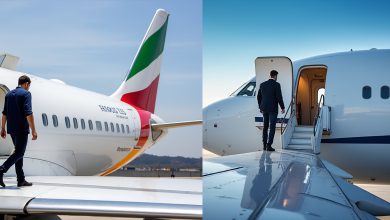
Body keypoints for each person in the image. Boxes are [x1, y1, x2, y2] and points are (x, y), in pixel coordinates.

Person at [0, 75, 38, 187]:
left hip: (11, 129)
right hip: (21, 128)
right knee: (20, 152)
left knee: (18, 152)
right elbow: (28, 113)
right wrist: (34, 130)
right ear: (26, 84)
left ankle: (21, 179)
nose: (28, 88)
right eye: (29, 85)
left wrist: (3, 128)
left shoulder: (8, 94)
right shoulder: (26, 94)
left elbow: (4, 113)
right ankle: (1, 169)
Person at [257, 70, 285, 151]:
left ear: (270, 75)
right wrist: (282, 107)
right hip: (273, 109)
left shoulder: (262, 84)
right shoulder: (276, 85)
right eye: (277, 76)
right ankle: (269, 145)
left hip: (264, 109)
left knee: (265, 127)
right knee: (272, 127)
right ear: (275, 76)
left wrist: (260, 107)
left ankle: (264, 145)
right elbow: (279, 97)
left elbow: (259, 97)